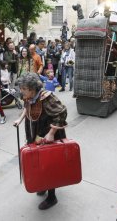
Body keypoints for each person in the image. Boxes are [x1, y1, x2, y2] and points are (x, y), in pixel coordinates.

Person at [13, 73, 68, 210]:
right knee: (38, 162)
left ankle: (52, 196)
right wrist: (20, 119)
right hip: (34, 132)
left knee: (49, 165)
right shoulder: (28, 96)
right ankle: (43, 185)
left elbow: (61, 112)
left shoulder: (47, 97)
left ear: (32, 89)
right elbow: (27, 107)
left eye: (23, 89)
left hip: (47, 135)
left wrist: (51, 133)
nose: (21, 91)